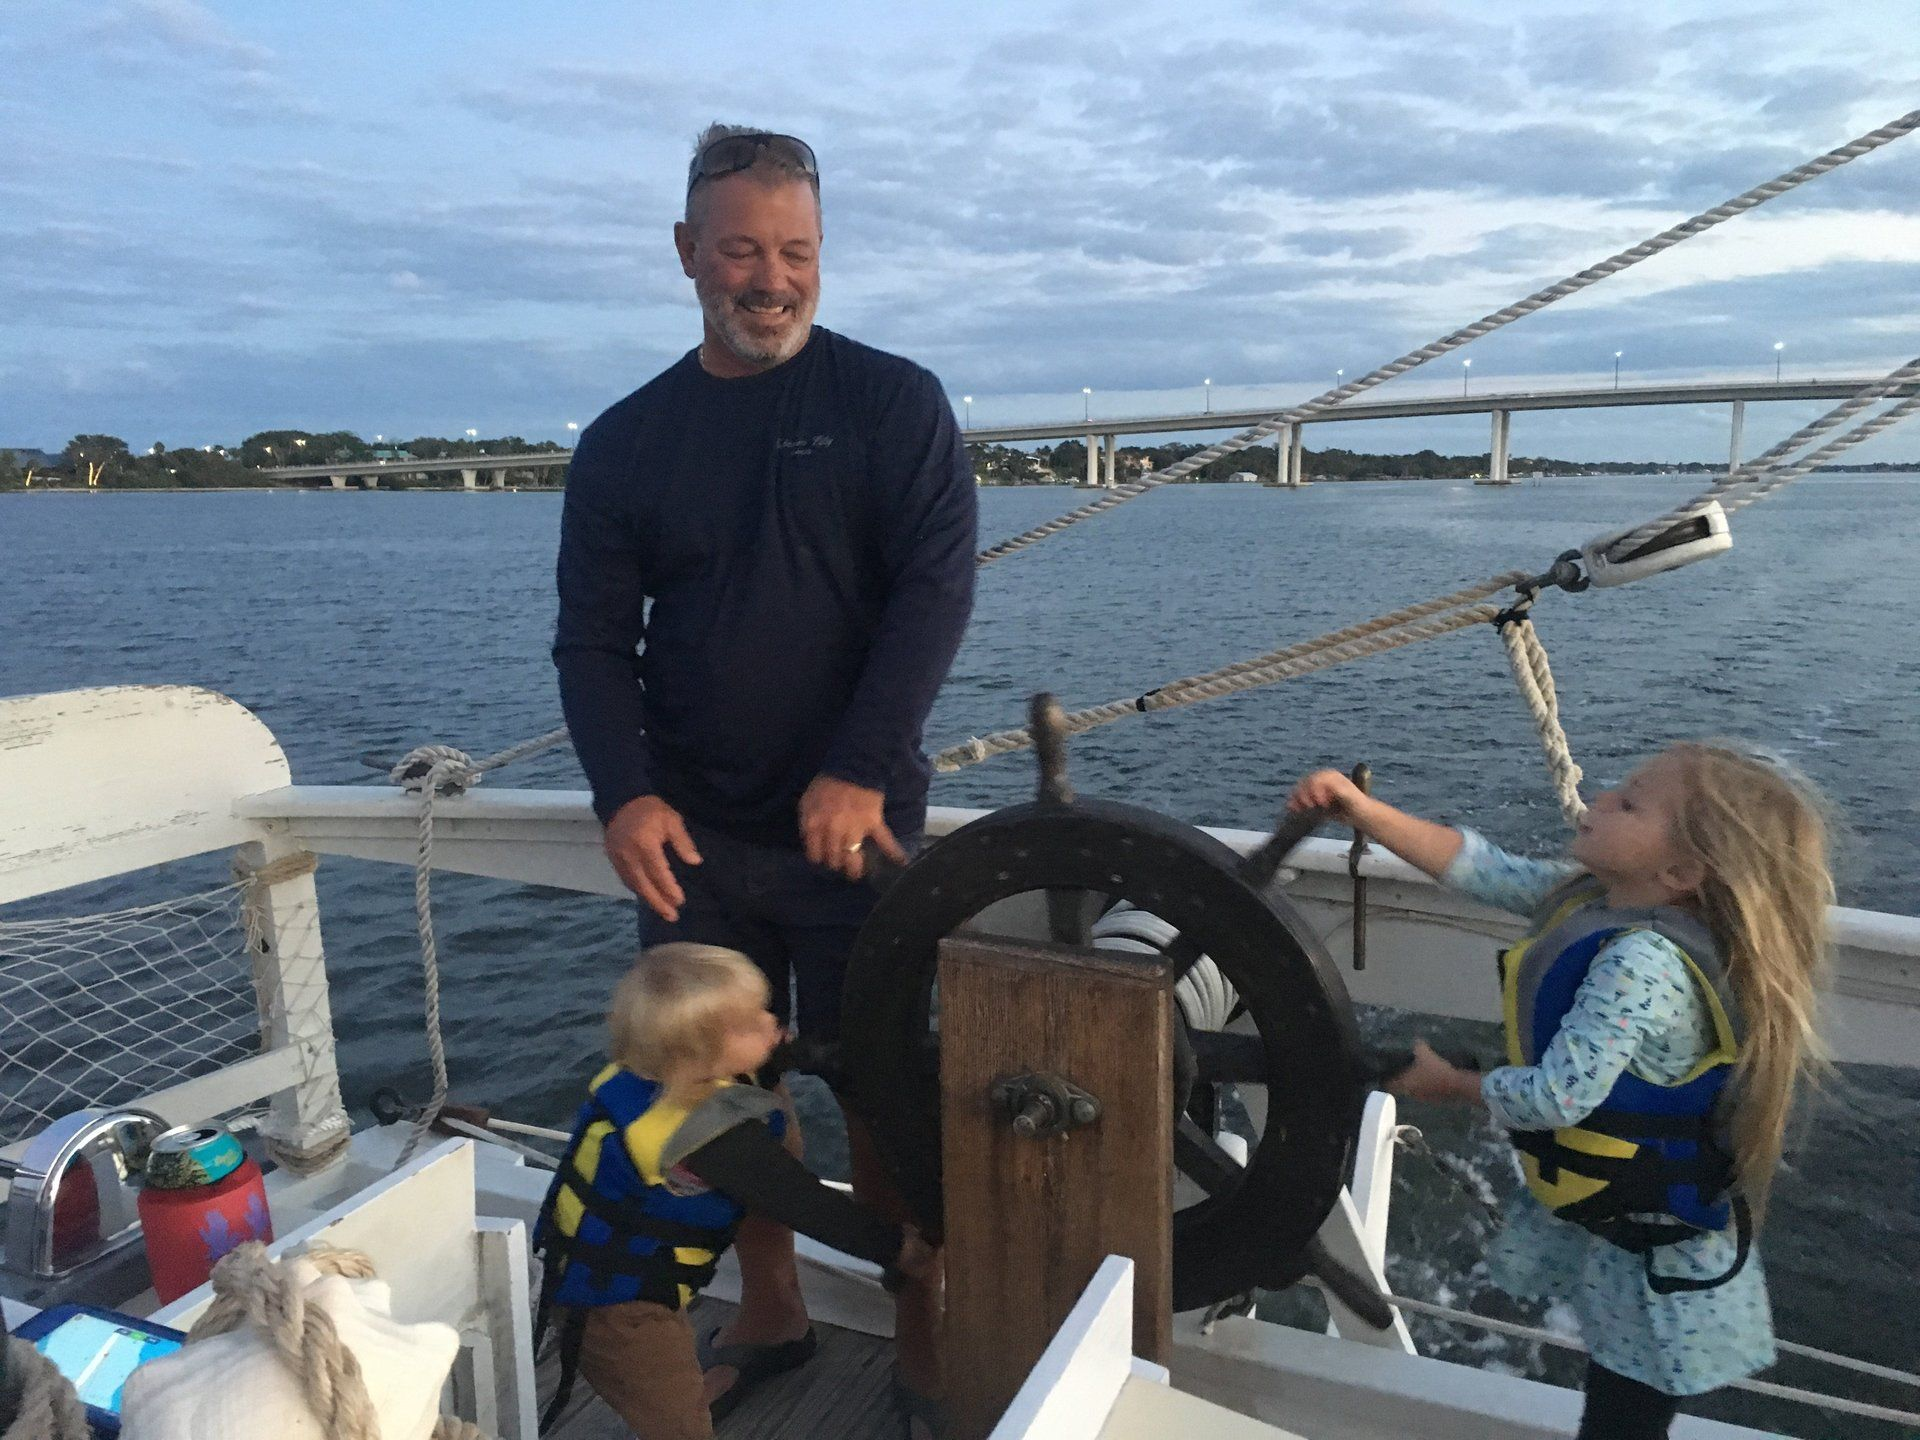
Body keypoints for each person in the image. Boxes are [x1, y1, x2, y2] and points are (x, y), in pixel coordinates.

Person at [552, 123, 975, 1430]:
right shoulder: (625, 442)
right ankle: (774, 1310)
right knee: (718, 1092)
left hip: (859, 833)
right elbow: (591, 641)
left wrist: (859, 765)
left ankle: (920, 1328)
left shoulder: (894, 403)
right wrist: (623, 792)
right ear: (687, 251)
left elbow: (933, 592)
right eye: (742, 250)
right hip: (692, 839)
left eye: (797, 251)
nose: (772, 279)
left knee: (885, 1090)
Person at [1289, 742, 1831, 1440]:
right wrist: (1363, 811)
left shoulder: (1640, 962)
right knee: (1619, 1392)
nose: (1599, 799)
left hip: (1654, 1251)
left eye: (1628, 803)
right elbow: (1479, 867)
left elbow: (1558, 1097)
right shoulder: (1595, 902)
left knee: (1624, 1413)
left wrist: (1452, 1085)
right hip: (1624, 1223)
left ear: (1680, 872)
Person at [535, 944, 935, 1440]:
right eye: (752, 1022)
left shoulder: (651, 1076)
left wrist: (805, 1052)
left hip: (597, 1285)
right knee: (678, 1423)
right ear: (702, 1055)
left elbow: (756, 1059)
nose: (772, 1022)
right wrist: (899, 1249)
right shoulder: (709, 1137)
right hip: (623, 1315)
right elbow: (804, 1203)